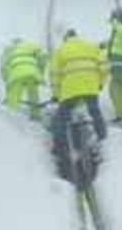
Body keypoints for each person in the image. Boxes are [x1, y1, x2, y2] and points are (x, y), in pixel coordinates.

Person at [49, 29, 109, 172]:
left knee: (61, 118)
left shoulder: (60, 50)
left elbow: (55, 75)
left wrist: (57, 95)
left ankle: (60, 147)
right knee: (95, 112)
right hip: (90, 87)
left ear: (65, 39)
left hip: (70, 90)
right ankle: (102, 137)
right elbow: (105, 66)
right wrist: (100, 83)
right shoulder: (91, 46)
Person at [0, 38, 46, 120]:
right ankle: (35, 115)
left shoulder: (8, 49)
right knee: (33, 95)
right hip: (32, 73)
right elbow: (43, 56)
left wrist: (7, 80)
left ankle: (12, 118)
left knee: (13, 97)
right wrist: (40, 73)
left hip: (16, 74)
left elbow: (4, 67)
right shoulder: (31, 46)